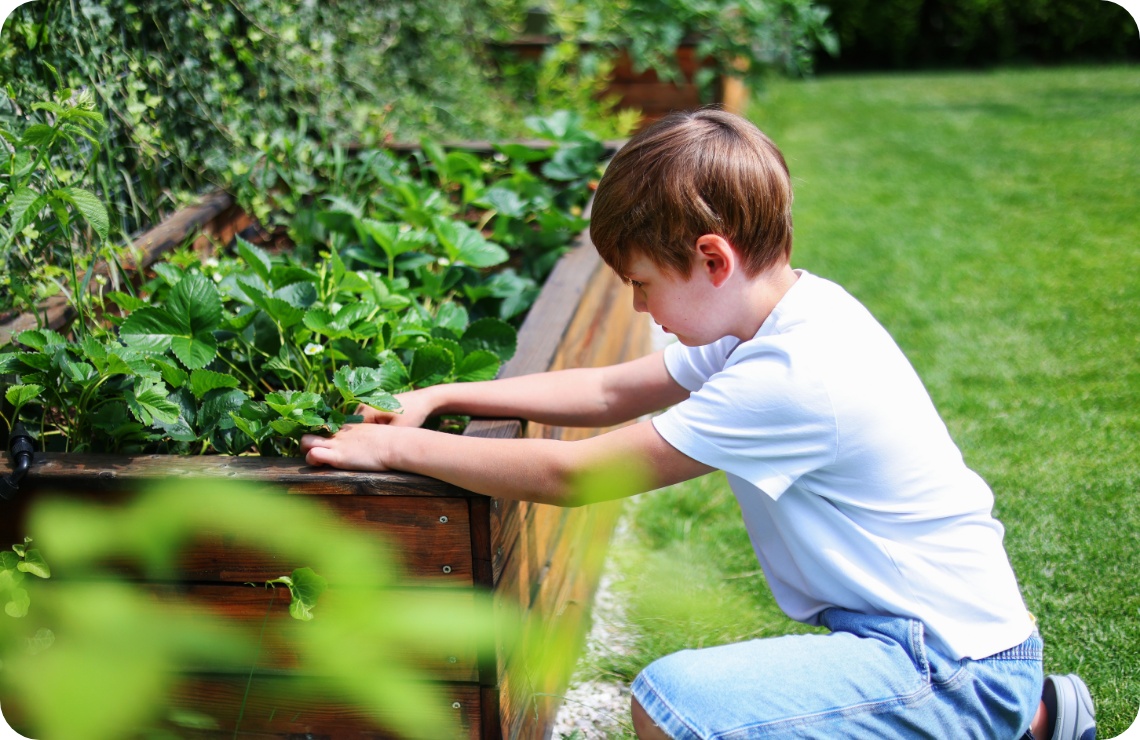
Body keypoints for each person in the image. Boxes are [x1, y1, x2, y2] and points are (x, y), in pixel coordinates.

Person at [300, 109, 1096, 740]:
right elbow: (614, 389)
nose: (640, 308)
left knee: (678, 705)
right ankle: (1027, 721)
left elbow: (577, 476)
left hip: (946, 660)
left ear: (714, 260)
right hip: (940, 639)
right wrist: (446, 393)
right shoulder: (778, 316)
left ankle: (999, 715)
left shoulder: (794, 375)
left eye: (642, 285)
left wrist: (396, 446)